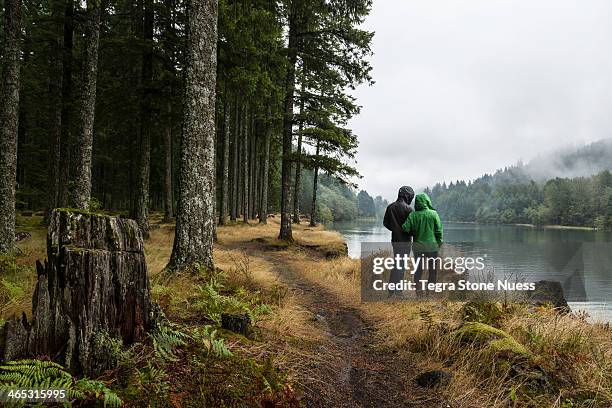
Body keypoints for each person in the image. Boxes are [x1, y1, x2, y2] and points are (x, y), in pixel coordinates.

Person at [401, 193, 443, 295]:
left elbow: (405, 228)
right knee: (432, 270)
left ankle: (419, 291)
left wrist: (415, 230)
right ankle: (430, 291)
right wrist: (439, 243)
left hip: (418, 247)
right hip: (432, 247)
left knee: (418, 270)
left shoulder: (413, 215)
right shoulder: (434, 214)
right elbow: (438, 231)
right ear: (427, 201)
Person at [383, 186, 415, 295]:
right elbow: (412, 229)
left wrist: (395, 229)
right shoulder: (409, 209)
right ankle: (398, 291)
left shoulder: (390, 207)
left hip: (395, 240)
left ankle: (391, 290)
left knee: (397, 263)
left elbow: (385, 223)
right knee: (401, 265)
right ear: (407, 196)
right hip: (405, 241)